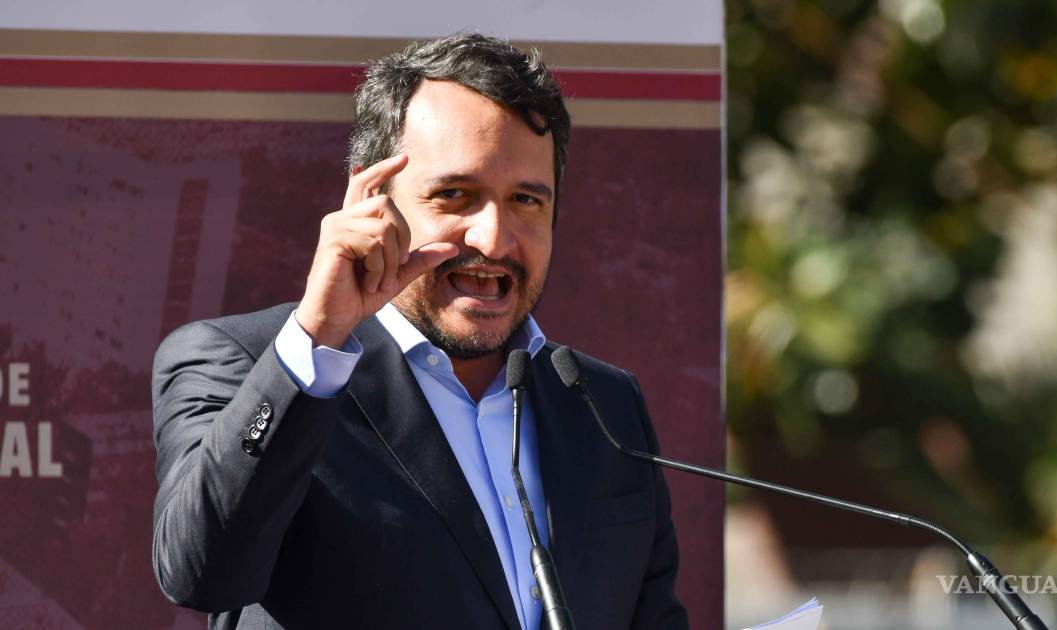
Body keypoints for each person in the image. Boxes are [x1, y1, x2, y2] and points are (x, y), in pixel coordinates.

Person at [150, 33, 689, 630]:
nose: (493, 239)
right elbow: (201, 573)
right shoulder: (249, 362)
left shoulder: (603, 403)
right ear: (371, 201)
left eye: (525, 200)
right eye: (455, 195)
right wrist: (318, 340)